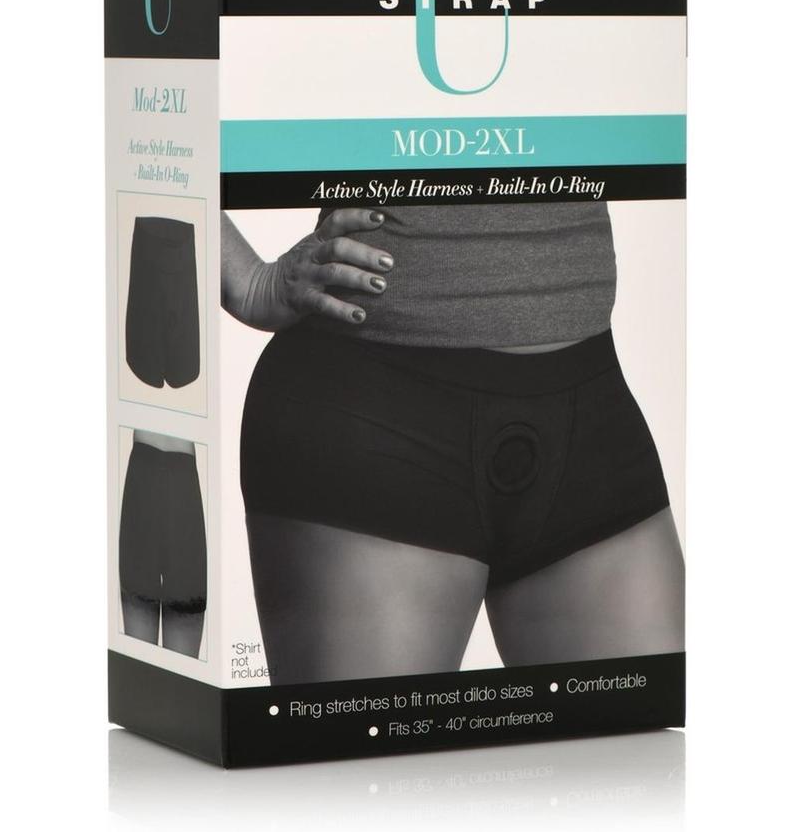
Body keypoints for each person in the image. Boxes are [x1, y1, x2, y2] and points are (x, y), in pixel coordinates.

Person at [222, 204, 684, 686]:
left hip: (590, 409)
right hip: (375, 412)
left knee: (639, 723)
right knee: (362, 735)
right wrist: (246, 283)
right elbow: (165, 159)